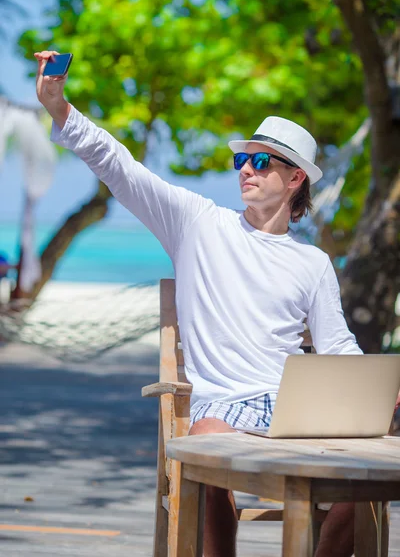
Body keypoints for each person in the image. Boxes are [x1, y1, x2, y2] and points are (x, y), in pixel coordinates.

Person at [35, 50, 372, 557]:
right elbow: (120, 168)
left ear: (296, 177)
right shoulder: (198, 223)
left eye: (261, 161)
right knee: (208, 449)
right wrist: (59, 108)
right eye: (242, 160)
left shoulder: (313, 263)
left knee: (365, 479)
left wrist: (376, 390)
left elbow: (337, 345)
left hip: (297, 409)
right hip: (223, 405)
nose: (246, 171)